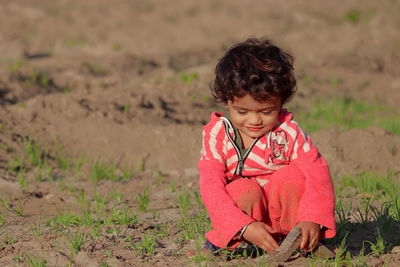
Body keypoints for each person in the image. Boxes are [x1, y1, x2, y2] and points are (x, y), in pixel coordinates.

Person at [197, 37, 336, 258]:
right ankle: (231, 242)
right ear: (226, 101)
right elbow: (211, 187)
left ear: (281, 103)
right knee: (242, 190)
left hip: (286, 217)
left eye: (266, 112)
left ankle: (302, 238)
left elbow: (318, 174)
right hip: (244, 221)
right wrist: (242, 225)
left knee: (292, 177)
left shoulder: (288, 132)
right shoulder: (217, 136)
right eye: (242, 112)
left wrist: (312, 217)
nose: (254, 121)